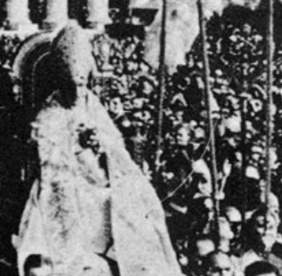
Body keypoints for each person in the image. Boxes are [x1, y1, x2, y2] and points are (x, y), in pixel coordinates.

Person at [16, 24, 180, 276]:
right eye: (72, 85)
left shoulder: (93, 104)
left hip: (101, 181)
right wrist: (78, 146)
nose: (78, 92)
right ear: (62, 81)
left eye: (81, 86)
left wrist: (101, 146)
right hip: (67, 184)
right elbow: (49, 158)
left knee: (143, 202)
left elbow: (116, 149)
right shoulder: (50, 113)